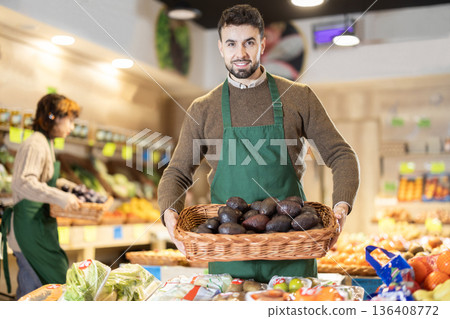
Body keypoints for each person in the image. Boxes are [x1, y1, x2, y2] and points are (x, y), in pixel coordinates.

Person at [157, 4, 360, 283]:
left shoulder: (298, 97)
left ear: (262, 44)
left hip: (291, 249)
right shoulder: (204, 108)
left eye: (248, 42)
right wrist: (169, 213)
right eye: (231, 44)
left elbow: (341, 154)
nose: (240, 54)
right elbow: (177, 173)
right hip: (229, 254)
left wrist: (341, 206)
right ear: (220, 47)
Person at [1, 93, 81, 299]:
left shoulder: (47, 143)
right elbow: (25, 182)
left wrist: (65, 186)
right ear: (53, 116)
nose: (72, 127)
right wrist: (60, 197)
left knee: (49, 285)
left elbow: (42, 180)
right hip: (27, 229)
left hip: (38, 226)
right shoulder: (36, 143)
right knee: (34, 291)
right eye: (70, 120)